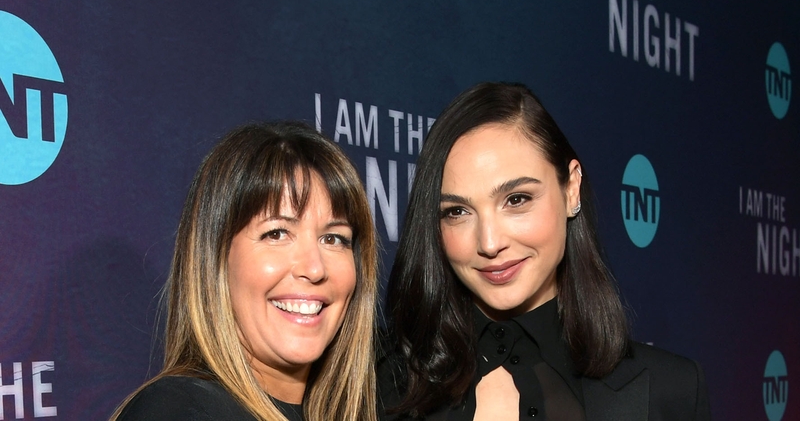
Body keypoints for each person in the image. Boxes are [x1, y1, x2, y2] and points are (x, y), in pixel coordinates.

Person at [379, 83, 710, 420]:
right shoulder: (378, 384)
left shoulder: (671, 391)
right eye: (457, 212)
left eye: (516, 199)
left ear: (571, 188)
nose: (489, 243)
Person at [111, 121, 379, 421]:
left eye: (333, 239)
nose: (314, 268)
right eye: (276, 234)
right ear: (215, 259)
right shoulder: (178, 412)